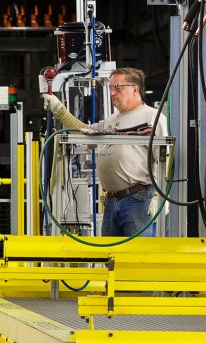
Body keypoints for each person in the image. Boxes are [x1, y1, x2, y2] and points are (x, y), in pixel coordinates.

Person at [41, 67, 167, 237]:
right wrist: (59, 110)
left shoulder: (152, 117)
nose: (113, 93)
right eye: (111, 88)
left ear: (135, 89)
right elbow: (84, 132)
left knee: (137, 252)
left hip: (138, 201)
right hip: (112, 201)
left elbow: (165, 158)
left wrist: (159, 197)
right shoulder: (111, 121)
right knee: (110, 252)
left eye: (118, 87)